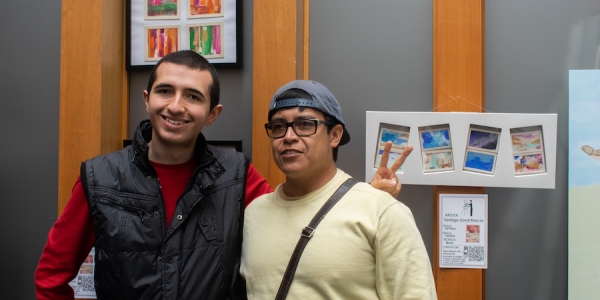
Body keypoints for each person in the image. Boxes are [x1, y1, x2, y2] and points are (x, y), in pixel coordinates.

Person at [34, 51, 406, 299]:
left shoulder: (236, 175)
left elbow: (295, 221)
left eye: (193, 97)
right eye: (165, 91)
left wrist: (365, 200)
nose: (176, 106)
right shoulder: (100, 177)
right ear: (147, 99)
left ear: (213, 113)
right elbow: (50, 277)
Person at [240, 80, 436, 299]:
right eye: (278, 127)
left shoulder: (381, 212)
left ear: (335, 135)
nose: (288, 136)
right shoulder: (252, 215)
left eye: (305, 124)